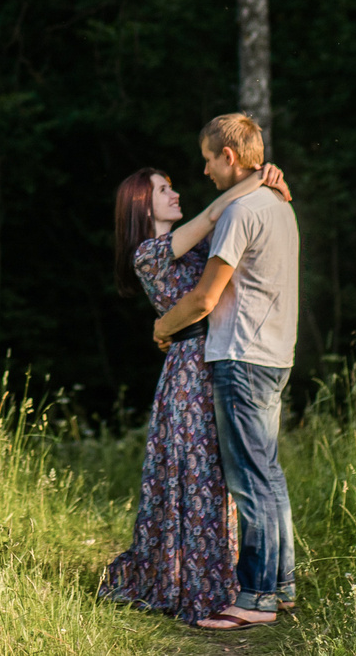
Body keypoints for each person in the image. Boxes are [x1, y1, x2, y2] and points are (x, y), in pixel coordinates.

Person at [99, 155, 291, 628]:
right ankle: (196, 578)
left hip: (222, 355)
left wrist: (267, 181)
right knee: (199, 472)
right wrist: (251, 179)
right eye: (164, 190)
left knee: (227, 476)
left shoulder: (196, 241)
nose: (176, 193)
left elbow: (234, 226)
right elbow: (214, 214)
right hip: (190, 370)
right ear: (143, 206)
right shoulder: (149, 250)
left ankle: (238, 578)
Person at [155, 111, 301, 629]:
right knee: (269, 474)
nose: (206, 172)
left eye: (209, 161)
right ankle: (279, 585)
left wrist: (163, 327)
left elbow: (204, 298)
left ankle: (255, 598)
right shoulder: (280, 205)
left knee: (248, 482)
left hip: (240, 356)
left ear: (230, 157)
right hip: (275, 354)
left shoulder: (242, 214)